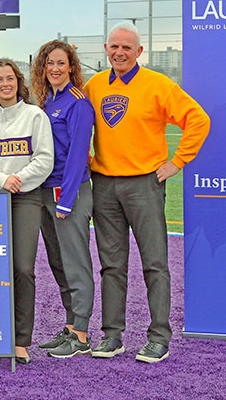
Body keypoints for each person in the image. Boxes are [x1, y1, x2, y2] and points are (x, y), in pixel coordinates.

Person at [84, 22, 210, 363]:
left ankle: (159, 337)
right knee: (111, 266)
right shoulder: (94, 85)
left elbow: (198, 119)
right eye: (114, 47)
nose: (119, 52)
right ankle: (112, 335)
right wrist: (87, 157)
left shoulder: (158, 84)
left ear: (139, 52)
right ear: (106, 50)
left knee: (155, 264)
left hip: (145, 184)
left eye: (127, 47)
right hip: (105, 185)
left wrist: (177, 162)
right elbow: (77, 125)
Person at [0, 58, 54, 364]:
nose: (5, 84)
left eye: (10, 79)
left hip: (26, 198)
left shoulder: (34, 116)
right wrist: (2, 179)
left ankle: (19, 340)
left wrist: (18, 181)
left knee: (22, 268)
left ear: (19, 82)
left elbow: (44, 160)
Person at [31, 40, 95, 358]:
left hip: (68, 193)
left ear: (71, 67)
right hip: (44, 192)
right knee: (58, 264)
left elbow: (78, 156)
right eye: (49, 63)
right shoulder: (45, 103)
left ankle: (81, 335)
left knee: (75, 263)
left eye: (61, 63)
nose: (55, 69)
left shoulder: (78, 103)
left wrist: (66, 199)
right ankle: (70, 327)